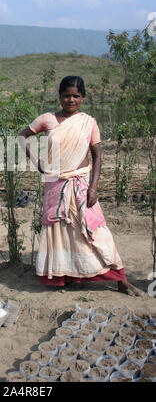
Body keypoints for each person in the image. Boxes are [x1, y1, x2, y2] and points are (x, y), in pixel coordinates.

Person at [19, 75, 144, 296]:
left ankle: (120, 279)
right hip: (55, 183)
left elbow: (97, 156)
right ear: (59, 96)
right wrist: (37, 162)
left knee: (96, 230)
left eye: (76, 96)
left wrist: (93, 188)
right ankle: (66, 276)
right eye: (66, 95)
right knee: (62, 229)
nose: (71, 100)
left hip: (81, 183)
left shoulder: (88, 122)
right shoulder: (47, 119)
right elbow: (22, 137)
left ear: (82, 98)